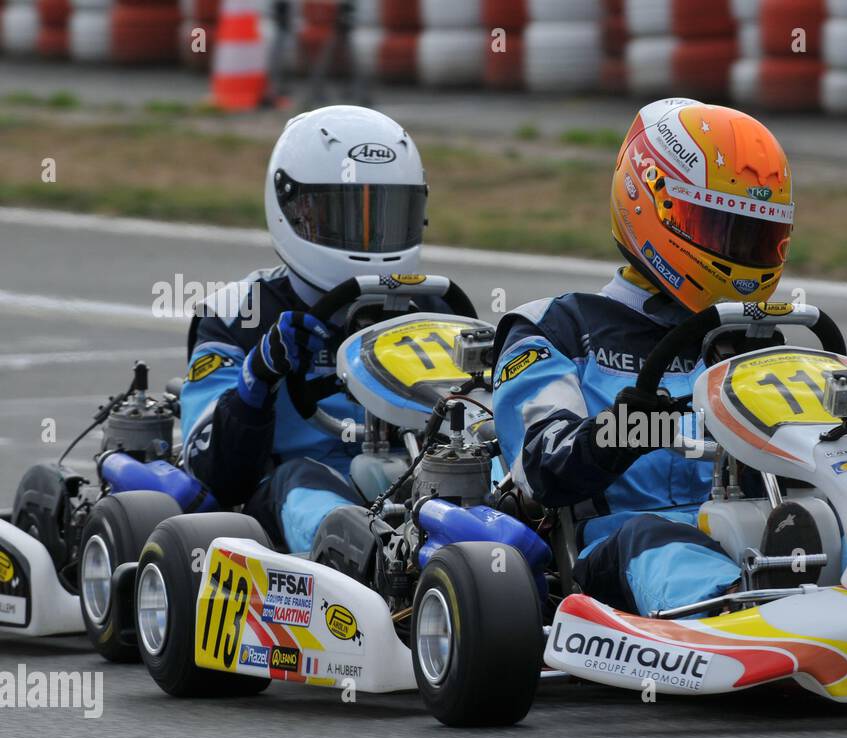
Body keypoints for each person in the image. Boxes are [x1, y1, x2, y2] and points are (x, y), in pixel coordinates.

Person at [492, 97, 797, 615]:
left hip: (750, 538)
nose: (742, 256)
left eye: (757, 239)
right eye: (721, 232)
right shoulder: (556, 328)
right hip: (614, 551)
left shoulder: (754, 342)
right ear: (650, 203)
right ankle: (731, 615)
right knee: (654, 537)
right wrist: (625, 430)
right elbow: (541, 467)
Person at [180, 105, 474, 553]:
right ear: (291, 209)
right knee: (304, 482)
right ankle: (364, 558)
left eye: (386, 216)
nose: (369, 235)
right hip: (294, 493)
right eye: (344, 216)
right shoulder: (241, 313)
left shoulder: (431, 306)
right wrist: (258, 379)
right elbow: (210, 474)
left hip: (412, 478)